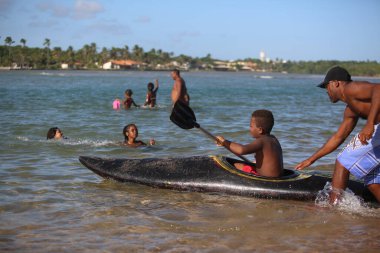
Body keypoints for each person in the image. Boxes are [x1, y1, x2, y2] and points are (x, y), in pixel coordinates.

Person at [295, 66, 380, 203]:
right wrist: (312, 159)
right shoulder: (350, 110)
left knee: (343, 161)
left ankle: (334, 206)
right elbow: (338, 137)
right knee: (373, 180)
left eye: (326, 86)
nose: (327, 91)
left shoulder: (350, 88)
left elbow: (378, 89)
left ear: (336, 83)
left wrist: (369, 123)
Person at [216, 109, 284, 177]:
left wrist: (224, 142)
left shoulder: (261, 141)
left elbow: (242, 150)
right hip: (279, 177)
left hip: (267, 179)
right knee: (251, 164)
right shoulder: (273, 139)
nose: (249, 129)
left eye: (251, 126)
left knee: (236, 165)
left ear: (260, 130)